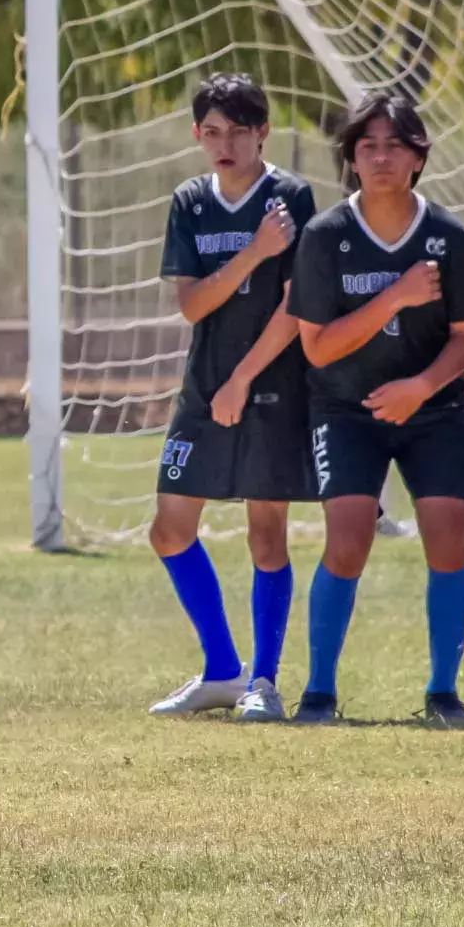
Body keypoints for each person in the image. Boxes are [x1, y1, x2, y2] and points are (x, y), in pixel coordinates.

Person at [287, 92, 464, 726]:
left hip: (432, 409)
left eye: (394, 145)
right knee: (347, 540)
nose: (380, 156)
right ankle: (318, 692)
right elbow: (318, 348)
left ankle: (443, 693)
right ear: (351, 157)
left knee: (449, 540)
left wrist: (421, 388)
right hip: (346, 410)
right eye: (367, 146)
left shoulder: (447, 235)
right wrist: (397, 297)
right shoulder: (324, 237)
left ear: (416, 158)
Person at [147, 74, 318, 723]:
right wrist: (252, 254)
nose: (225, 145)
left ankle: (264, 683)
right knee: (169, 528)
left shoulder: (290, 196)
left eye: (239, 132)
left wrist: (244, 378)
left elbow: (297, 306)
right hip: (203, 390)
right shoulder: (190, 201)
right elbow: (193, 303)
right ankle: (222, 669)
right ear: (197, 135)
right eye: (212, 133)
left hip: (272, 388)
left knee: (267, 532)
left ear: (262, 133)